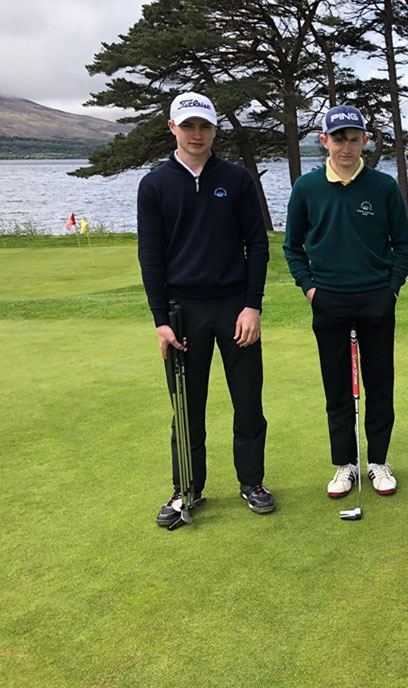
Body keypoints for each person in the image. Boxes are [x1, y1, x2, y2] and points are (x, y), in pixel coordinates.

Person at [138, 91, 274, 525]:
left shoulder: (235, 179)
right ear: (172, 128)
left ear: (215, 129)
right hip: (183, 313)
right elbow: (151, 257)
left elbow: (257, 244)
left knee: (248, 401)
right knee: (187, 407)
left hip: (235, 307)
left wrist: (252, 306)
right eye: (188, 125)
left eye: (204, 126)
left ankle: (251, 482)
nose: (197, 134)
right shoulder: (155, 184)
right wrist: (161, 321)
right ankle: (187, 490)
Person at [284, 105, 408, 498]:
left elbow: (402, 244)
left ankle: (377, 462)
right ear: (324, 141)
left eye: (353, 138)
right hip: (328, 300)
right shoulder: (307, 188)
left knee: (379, 383)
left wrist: (391, 288)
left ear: (365, 141)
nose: (346, 146)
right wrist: (310, 288)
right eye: (338, 138)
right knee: (337, 387)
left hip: (376, 297)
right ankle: (345, 464)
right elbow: (293, 247)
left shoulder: (383, 186)